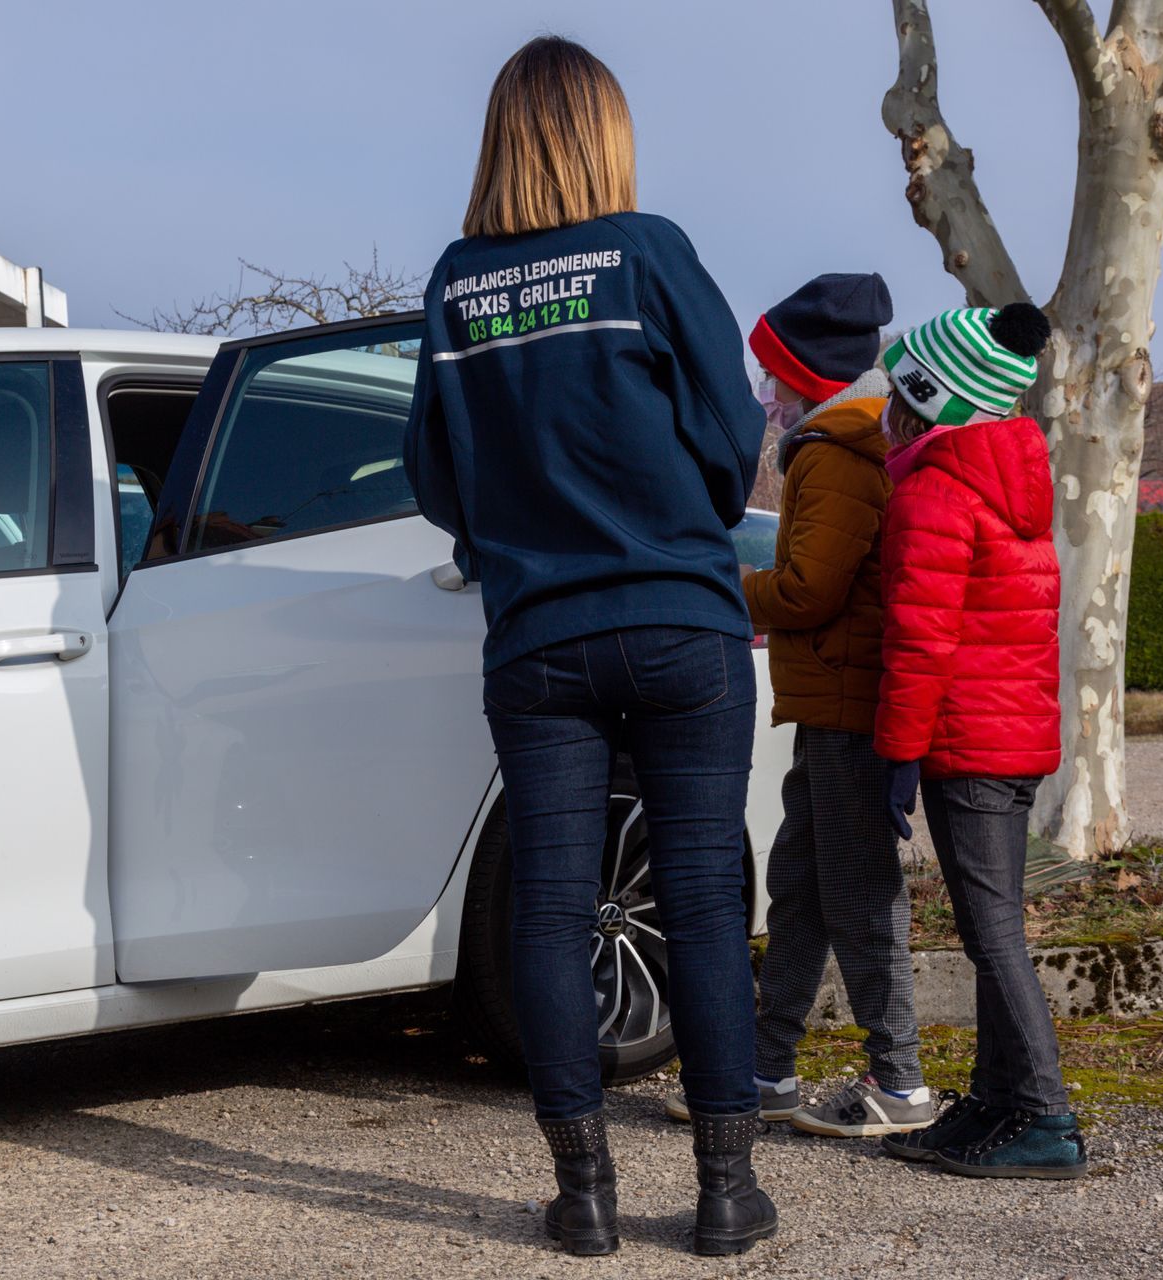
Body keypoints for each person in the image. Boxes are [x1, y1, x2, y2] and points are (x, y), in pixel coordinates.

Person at [403, 35, 775, 1258]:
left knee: (552, 914)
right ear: (604, 133)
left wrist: (520, 538)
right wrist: (676, 519)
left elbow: (434, 477)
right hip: (682, 624)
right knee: (707, 905)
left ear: (501, 138)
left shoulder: (458, 285)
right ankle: (725, 1193)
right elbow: (731, 436)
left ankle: (585, 1193)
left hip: (540, 643)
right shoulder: (648, 252)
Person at [663, 274, 935, 1139]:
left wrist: (718, 584)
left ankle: (900, 1084)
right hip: (833, 703)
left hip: (848, 706)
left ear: (810, 373)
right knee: (801, 888)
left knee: (857, 893)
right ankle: (766, 1068)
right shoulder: (854, 442)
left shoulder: (832, 452)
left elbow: (809, 590)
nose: (767, 397)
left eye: (775, 377)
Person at [871, 302, 1088, 1179]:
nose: (884, 410)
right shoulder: (1010, 479)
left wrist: (897, 754)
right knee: (991, 927)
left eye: (898, 396)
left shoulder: (933, 492)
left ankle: (1045, 1118)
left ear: (929, 404)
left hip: (969, 745)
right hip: (1017, 739)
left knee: (992, 932)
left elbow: (921, 639)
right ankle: (999, 1103)